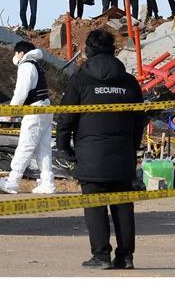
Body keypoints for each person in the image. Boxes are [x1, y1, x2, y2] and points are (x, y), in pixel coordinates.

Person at [55, 29, 148, 270]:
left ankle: (101, 255)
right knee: (124, 206)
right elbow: (139, 120)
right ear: (112, 50)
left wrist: (64, 148)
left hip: (90, 155)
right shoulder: (129, 82)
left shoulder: (79, 80)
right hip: (122, 154)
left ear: (88, 50)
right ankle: (126, 257)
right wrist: (132, 147)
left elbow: (66, 119)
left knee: (95, 207)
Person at [0, 41, 56, 195]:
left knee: (25, 145)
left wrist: (12, 110)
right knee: (44, 148)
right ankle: (47, 182)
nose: (15, 57)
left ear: (21, 53)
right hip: (45, 108)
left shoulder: (26, 65)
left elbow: (21, 91)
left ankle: (12, 181)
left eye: (15, 53)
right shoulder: (36, 65)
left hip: (35, 110)